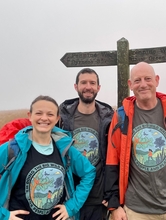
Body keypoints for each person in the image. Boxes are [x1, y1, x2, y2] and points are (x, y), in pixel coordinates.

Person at [0, 95, 96, 220]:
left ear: (57, 119)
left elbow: (89, 172)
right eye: (39, 113)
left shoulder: (65, 149)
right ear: (30, 116)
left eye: (50, 114)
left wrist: (71, 207)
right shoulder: (13, 149)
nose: (44, 118)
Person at [103, 62, 166, 220]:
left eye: (148, 79)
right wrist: (114, 205)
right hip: (137, 211)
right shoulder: (121, 117)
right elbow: (112, 161)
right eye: (137, 80)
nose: (143, 84)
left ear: (157, 80)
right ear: (130, 85)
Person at [57, 68, 114, 220]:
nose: (88, 86)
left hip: (98, 197)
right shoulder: (62, 118)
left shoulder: (109, 119)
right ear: (76, 86)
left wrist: (112, 194)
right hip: (69, 194)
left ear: (98, 88)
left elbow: (115, 157)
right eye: (83, 82)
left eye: (92, 83)